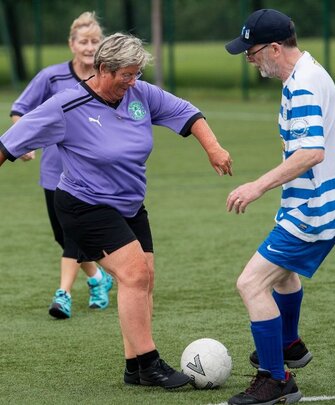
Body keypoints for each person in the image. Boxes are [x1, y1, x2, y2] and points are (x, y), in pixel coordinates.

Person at [0, 33, 233, 389]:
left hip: (129, 204)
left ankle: (134, 367)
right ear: (104, 69)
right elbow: (7, 144)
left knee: (145, 278)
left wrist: (213, 149)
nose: (133, 81)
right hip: (84, 206)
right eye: (127, 74)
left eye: (137, 73)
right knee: (134, 274)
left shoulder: (140, 94)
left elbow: (186, 112)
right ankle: (151, 365)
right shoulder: (66, 106)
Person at [224, 9, 335, 405]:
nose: (249, 58)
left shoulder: (304, 85)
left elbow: (312, 151)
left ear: (275, 48)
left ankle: (276, 380)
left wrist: (257, 185)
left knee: (250, 284)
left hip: (314, 210)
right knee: (282, 275)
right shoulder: (307, 73)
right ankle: (290, 344)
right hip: (320, 203)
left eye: (253, 51)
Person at [10, 11, 113, 319]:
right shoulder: (51, 77)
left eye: (95, 41)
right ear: (71, 44)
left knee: (72, 236)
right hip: (53, 173)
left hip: (89, 175)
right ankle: (98, 278)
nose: (89, 46)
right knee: (62, 235)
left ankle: (63, 295)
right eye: (84, 41)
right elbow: (20, 111)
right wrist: (22, 143)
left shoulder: (104, 79)